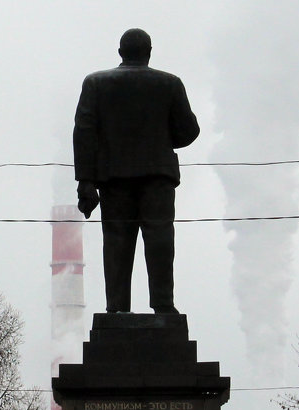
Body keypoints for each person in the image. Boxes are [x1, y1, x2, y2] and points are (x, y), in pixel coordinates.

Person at [73, 28, 200, 315]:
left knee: (116, 241)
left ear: (121, 52)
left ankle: (116, 309)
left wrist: (86, 181)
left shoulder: (95, 83)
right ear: (149, 52)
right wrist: (161, 136)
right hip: (157, 177)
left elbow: (84, 132)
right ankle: (163, 305)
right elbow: (189, 131)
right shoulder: (169, 84)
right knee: (160, 239)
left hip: (113, 178)